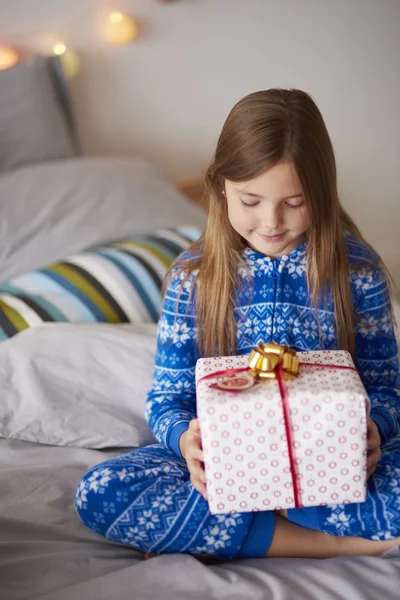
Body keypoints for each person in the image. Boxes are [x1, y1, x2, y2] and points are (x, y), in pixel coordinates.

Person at [75, 89, 400, 559]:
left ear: (323, 192)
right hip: (226, 469)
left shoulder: (357, 271)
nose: (272, 221)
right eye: (251, 200)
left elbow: (387, 386)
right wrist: (187, 442)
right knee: (100, 491)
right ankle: (328, 543)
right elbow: (168, 398)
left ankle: (233, 531)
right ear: (221, 185)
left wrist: (376, 430)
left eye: (295, 201)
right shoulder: (194, 277)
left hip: (330, 467)